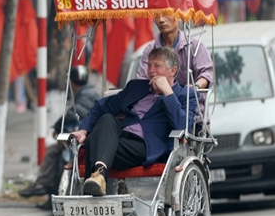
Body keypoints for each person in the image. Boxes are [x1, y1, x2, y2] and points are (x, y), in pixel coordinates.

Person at [71, 47, 197, 196]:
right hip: (119, 141)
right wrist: (83, 130)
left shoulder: (185, 95)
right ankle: (99, 176)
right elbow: (100, 106)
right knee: (106, 120)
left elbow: (183, 127)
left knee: (96, 142)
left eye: (157, 66)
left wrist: (168, 92)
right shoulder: (136, 87)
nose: (151, 70)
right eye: (149, 65)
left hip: (146, 147)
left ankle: (95, 180)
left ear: (173, 71)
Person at [18, 65, 98, 203]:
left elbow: (75, 113)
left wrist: (57, 126)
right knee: (57, 151)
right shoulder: (92, 93)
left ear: (72, 82)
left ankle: (42, 183)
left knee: (54, 150)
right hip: (88, 137)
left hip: (86, 140)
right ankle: (48, 193)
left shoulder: (83, 96)